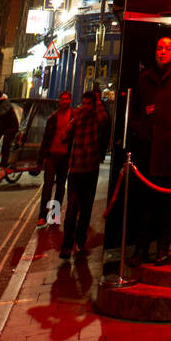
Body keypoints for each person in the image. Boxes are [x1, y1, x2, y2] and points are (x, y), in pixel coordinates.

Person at [128, 37, 171, 265]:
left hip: (169, 149)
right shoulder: (145, 77)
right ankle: (141, 249)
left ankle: (163, 249)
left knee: (167, 205)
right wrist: (140, 129)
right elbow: (136, 109)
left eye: (167, 48)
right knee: (145, 205)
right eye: (159, 48)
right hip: (147, 150)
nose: (163, 52)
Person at [58, 90, 110, 261]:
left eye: (90, 103)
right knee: (72, 209)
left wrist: (99, 102)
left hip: (90, 170)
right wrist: (74, 121)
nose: (86, 106)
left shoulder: (96, 119)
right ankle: (66, 246)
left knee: (86, 209)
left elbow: (105, 119)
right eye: (84, 103)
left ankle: (80, 241)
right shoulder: (77, 118)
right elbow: (65, 136)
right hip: (75, 171)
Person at [36, 91, 74, 227]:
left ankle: (55, 215)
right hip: (52, 155)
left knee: (60, 188)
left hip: (65, 157)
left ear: (70, 100)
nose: (64, 101)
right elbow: (46, 139)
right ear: (59, 101)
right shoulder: (53, 118)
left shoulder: (74, 117)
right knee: (47, 186)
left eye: (66, 99)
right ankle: (42, 215)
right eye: (62, 99)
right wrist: (41, 158)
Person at [0, 90, 19, 181]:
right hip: (4, 127)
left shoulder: (5, 103)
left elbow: (1, 113)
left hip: (12, 128)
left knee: (6, 145)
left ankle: (3, 170)